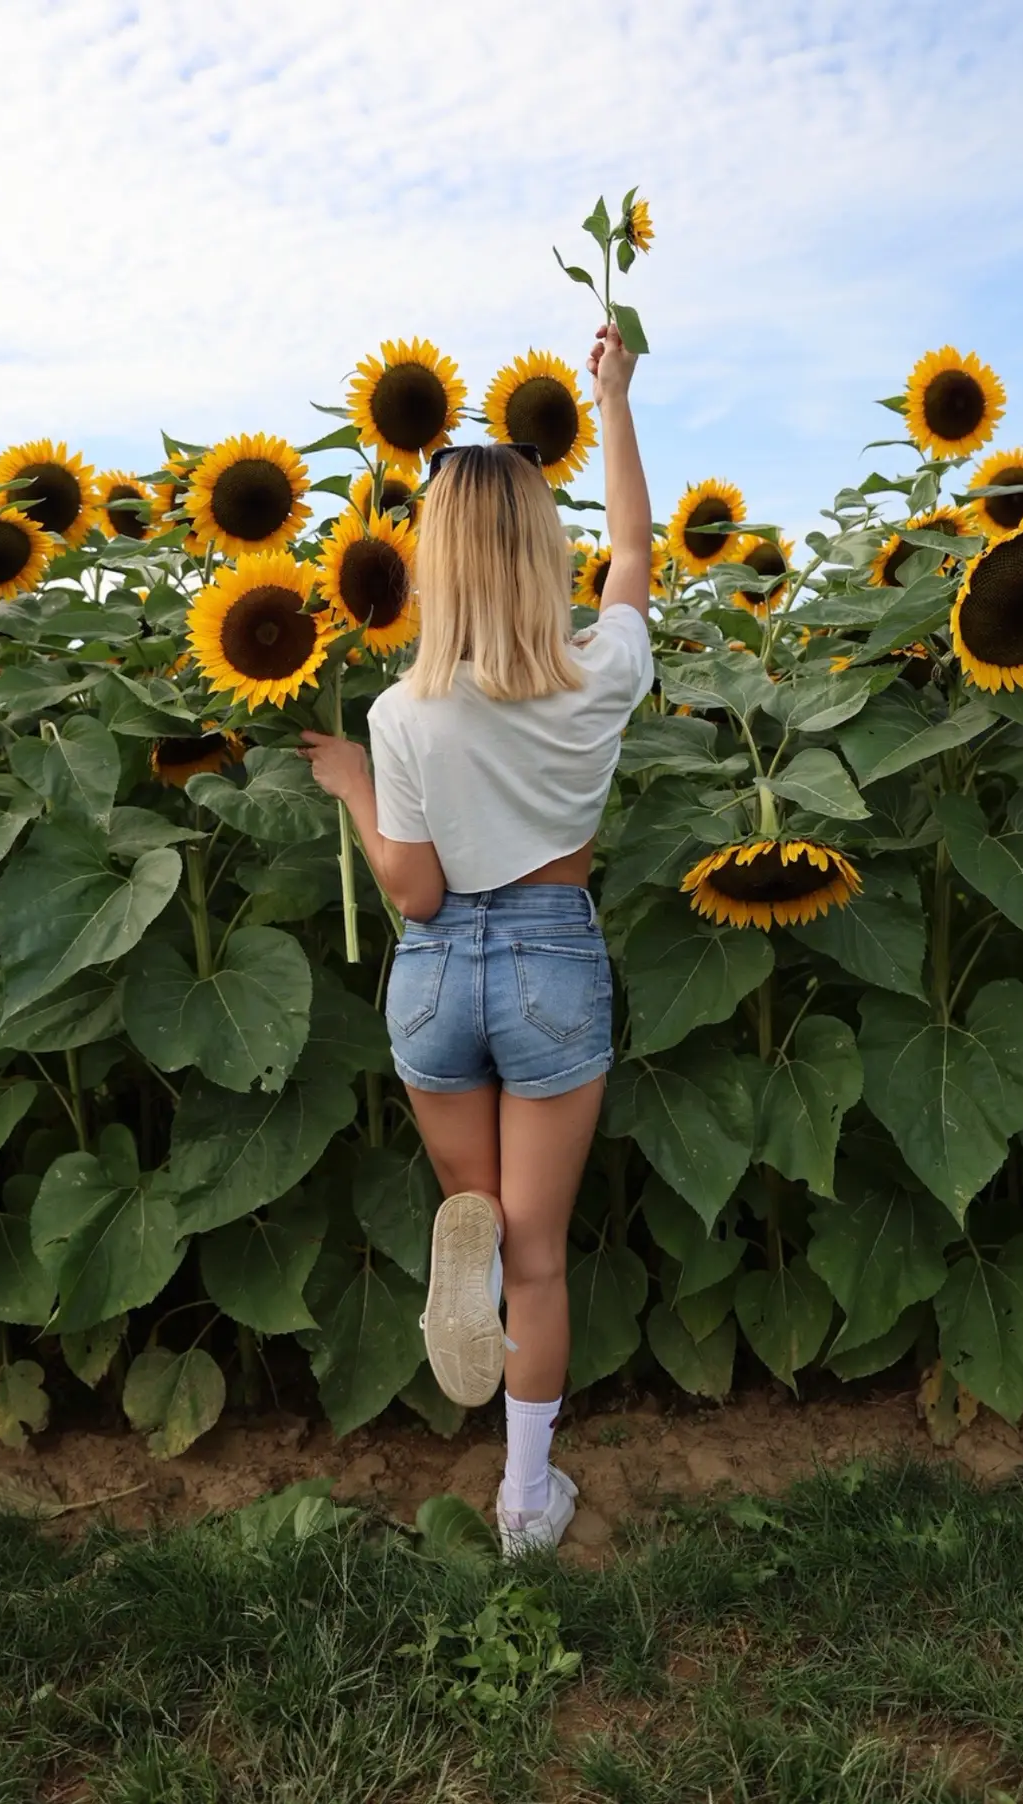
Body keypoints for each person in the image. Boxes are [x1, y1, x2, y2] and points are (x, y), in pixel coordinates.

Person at [299, 321, 652, 1555]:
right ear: (543, 551)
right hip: (553, 958)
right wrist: (613, 398)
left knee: (485, 1207)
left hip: (439, 979)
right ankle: (525, 1501)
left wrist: (352, 784)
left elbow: (416, 891)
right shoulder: (600, 673)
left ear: (434, 562)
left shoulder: (404, 713)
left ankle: (472, 1243)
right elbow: (633, 555)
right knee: (546, 1255)